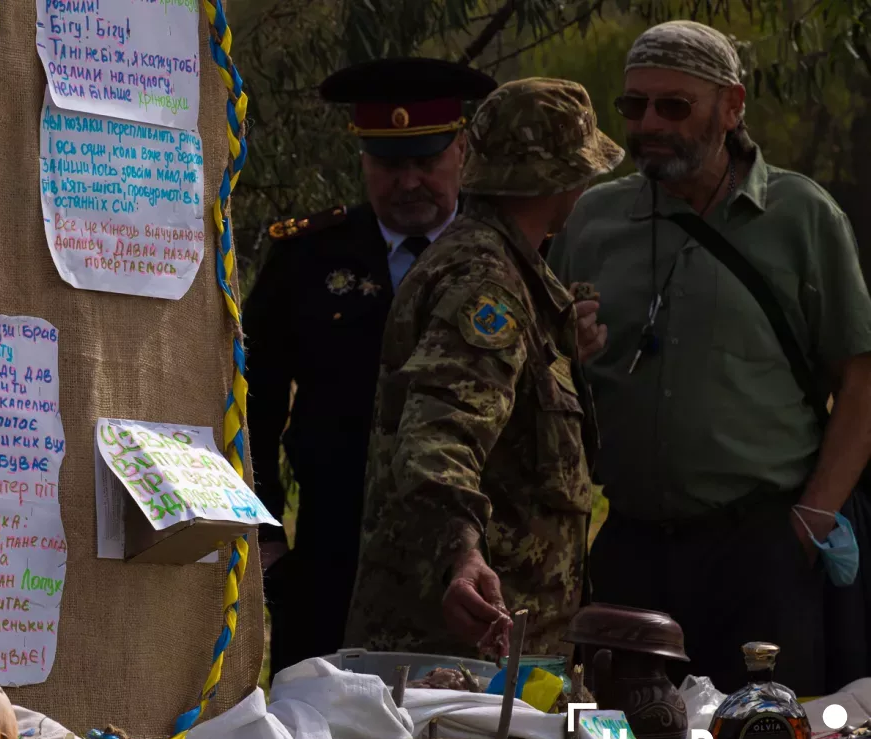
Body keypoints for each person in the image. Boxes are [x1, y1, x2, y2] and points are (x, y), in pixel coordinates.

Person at [548, 21, 871, 696]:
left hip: (760, 548)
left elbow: (861, 379)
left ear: (732, 107)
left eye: (674, 105)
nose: (649, 125)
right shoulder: (593, 220)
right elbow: (546, 382)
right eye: (634, 106)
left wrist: (812, 521)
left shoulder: (801, 216)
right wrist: (565, 351)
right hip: (631, 548)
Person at [343, 78, 625, 659]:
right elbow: (436, 438)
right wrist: (461, 554)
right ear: (562, 178)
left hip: (494, 646)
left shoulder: (504, 271)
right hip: (460, 653)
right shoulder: (486, 283)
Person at [243, 58, 497, 676]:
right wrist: (264, 528)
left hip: (471, 550)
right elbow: (252, 398)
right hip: (336, 543)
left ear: (461, 149)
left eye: (426, 161)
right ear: (362, 158)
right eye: (389, 164)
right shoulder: (309, 257)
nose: (408, 182)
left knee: (465, 736)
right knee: (323, 731)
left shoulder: (504, 255)